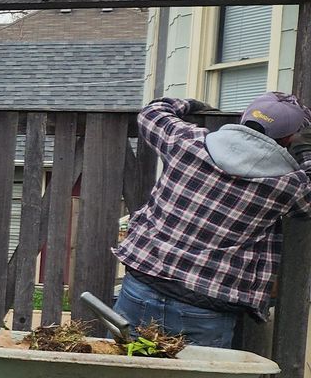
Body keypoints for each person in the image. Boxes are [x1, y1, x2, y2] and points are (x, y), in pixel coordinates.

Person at [113, 93, 311, 348]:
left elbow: (152, 113)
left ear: (244, 119)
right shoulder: (288, 184)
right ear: (287, 139)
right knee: (197, 374)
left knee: (123, 368)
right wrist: (305, 148)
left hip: (142, 285)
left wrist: (192, 104)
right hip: (208, 306)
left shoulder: (187, 142)